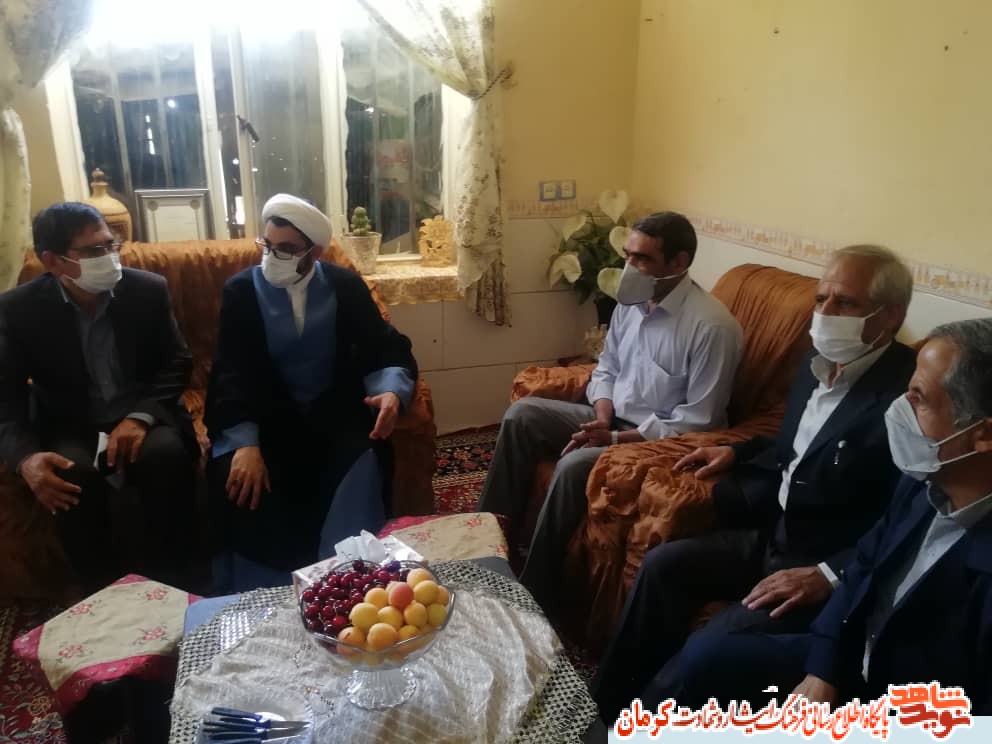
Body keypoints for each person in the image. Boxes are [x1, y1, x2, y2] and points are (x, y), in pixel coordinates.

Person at [592, 245, 918, 721]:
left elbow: (912, 513)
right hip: (773, 533)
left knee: (708, 651)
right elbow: (800, 443)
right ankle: (605, 706)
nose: (826, 313)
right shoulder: (816, 362)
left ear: (890, 315)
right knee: (662, 565)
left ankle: (644, 722)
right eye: (821, 299)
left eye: (845, 303)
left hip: (820, 564)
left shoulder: (908, 396)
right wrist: (738, 451)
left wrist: (830, 573)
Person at [671, 319, 992, 715]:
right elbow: (863, 568)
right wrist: (824, 670)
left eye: (919, 398)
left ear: (983, 434)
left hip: (908, 712)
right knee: (707, 655)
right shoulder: (923, 483)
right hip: (850, 661)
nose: (898, 408)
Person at [479, 212, 745, 606]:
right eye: (627, 256)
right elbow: (606, 370)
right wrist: (602, 419)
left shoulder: (711, 327)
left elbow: (698, 419)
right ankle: (485, 545)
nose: (630, 267)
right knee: (523, 416)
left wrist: (617, 439)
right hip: (611, 420)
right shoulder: (630, 304)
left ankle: (534, 592)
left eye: (642, 259)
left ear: (679, 262)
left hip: (657, 440)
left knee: (573, 466)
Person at [205, 194, 418, 592]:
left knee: (363, 459)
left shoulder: (344, 286)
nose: (272, 256)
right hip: (268, 423)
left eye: (286, 249)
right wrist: (244, 443)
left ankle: (347, 582)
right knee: (244, 482)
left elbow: (383, 347)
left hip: (334, 416)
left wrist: (390, 391)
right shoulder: (241, 291)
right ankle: (266, 595)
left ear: (314, 252)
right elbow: (230, 371)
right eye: (267, 245)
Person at [0, 202, 197, 591]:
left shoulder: (146, 290)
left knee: (165, 455)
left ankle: (173, 584)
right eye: (93, 251)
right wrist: (24, 458)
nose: (109, 257)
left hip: (141, 410)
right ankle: (100, 593)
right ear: (53, 261)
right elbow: (5, 397)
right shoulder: (18, 309)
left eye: (111, 245)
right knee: (68, 476)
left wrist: (140, 417)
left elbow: (177, 361)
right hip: (72, 421)